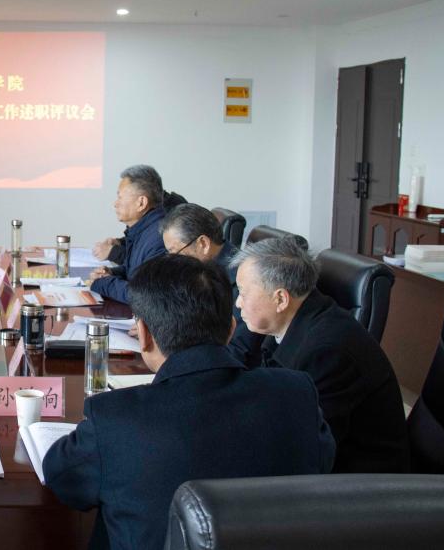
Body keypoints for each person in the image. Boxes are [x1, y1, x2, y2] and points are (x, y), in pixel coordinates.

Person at [43, 255, 334, 550]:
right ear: (231, 329)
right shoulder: (296, 393)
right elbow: (322, 465)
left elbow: (61, 478)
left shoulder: (115, 417)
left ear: (143, 335)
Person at [233, 237, 411, 473]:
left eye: (243, 293)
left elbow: (306, 449)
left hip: (363, 481)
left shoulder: (327, 352)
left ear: (281, 299)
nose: (238, 303)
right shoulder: (290, 324)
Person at [160, 203, 261, 365]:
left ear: (203, 244)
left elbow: (237, 351)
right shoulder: (201, 271)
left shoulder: (241, 283)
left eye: (175, 252)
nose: (173, 261)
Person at [89, 165, 168, 304]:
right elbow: (135, 271)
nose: (115, 203)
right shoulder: (143, 229)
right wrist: (112, 273)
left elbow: (144, 296)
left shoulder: (159, 238)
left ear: (141, 203)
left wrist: (104, 283)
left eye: (120, 197)